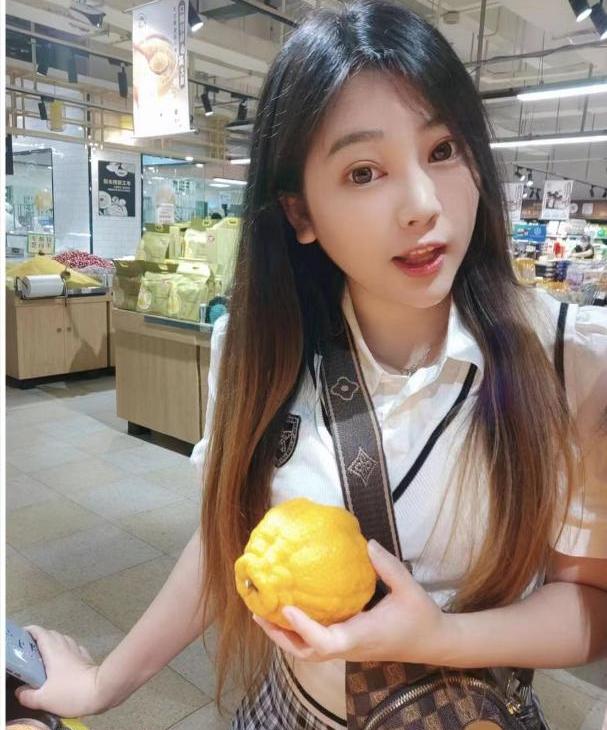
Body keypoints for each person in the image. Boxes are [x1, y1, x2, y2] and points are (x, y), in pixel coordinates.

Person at [15, 2, 607, 728]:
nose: (423, 205)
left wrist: (439, 637)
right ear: (300, 213)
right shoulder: (257, 350)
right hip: (289, 711)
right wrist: (103, 685)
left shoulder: (570, 360)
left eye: (443, 150)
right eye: (364, 172)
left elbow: (590, 603)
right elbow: (230, 541)